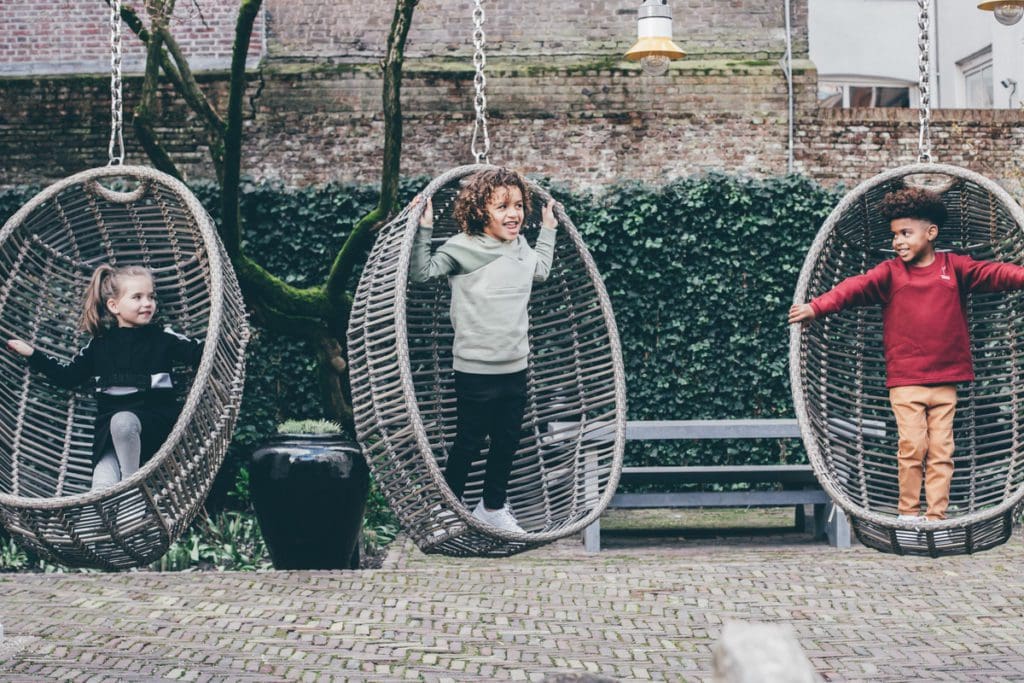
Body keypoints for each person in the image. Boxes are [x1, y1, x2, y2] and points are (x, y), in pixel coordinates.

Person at [789, 187, 1024, 525]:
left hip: (946, 381)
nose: (898, 241)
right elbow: (851, 288)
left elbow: (996, 273)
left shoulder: (953, 268)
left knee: (942, 452)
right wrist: (815, 307)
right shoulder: (889, 273)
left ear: (930, 234)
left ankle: (936, 517)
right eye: (894, 235)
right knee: (912, 448)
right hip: (906, 382)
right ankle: (908, 514)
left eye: (905, 233)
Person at [410, 168, 559, 533]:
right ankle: (447, 510)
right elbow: (422, 273)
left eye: (519, 205)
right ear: (480, 210)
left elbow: (539, 271)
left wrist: (549, 229)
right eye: (502, 206)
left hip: (515, 365)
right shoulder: (462, 247)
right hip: (475, 368)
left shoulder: (521, 246)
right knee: (470, 442)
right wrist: (423, 228)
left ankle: (491, 506)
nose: (514, 214)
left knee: (508, 440)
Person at [6, 264, 204, 491]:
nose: (147, 303)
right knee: (102, 484)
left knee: (122, 422)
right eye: (137, 297)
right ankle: (105, 523)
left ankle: (132, 489)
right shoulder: (100, 344)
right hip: (110, 433)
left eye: (151, 296)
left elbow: (199, 353)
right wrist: (33, 354)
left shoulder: (163, 338)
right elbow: (68, 376)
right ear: (114, 305)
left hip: (154, 424)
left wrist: (229, 339)